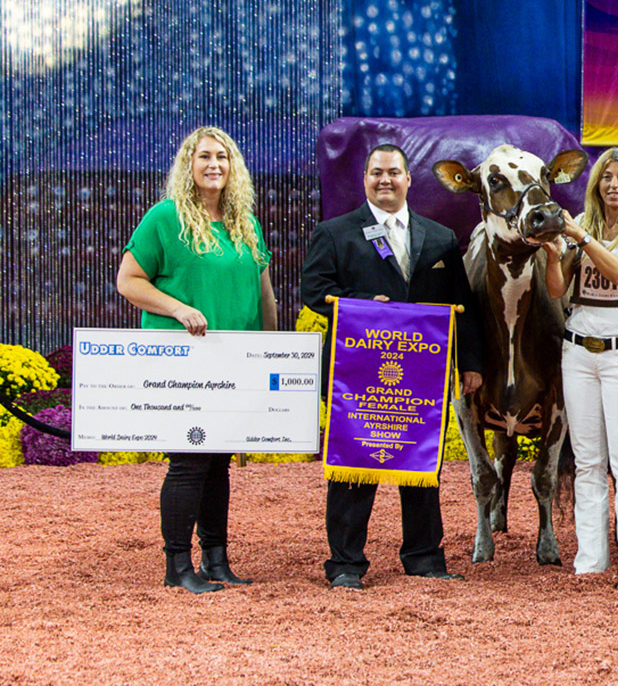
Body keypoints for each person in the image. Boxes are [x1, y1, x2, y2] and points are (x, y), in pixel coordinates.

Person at [301, 143, 484, 590]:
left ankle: (424, 557)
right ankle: (345, 563)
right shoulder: (335, 233)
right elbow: (313, 289)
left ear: (408, 179)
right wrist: (364, 305)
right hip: (358, 372)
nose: (385, 180)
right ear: (364, 179)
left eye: (394, 173)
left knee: (421, 468)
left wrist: (470, 362)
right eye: (376, 173)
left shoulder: (439, 237)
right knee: (354, 468)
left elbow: (463, 305)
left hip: (423, 376)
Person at [116, 126, 277, 594]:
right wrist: (179, 309)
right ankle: (176, 566)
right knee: (189, 460)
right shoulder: (166, 218)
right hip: (183, 362)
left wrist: (269, 348)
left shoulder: (244, 221)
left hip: (234, 359)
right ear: (189, 165)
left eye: (223, 157)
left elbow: (262, 291)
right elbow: (129, 280)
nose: (214, 165)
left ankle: (216, 559)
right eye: (204, 156)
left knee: (219, 460)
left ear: (234, 168)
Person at [542, 147, 618, 591]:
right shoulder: (582, 227)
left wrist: (581, 239)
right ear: (596, 184)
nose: (613, 184)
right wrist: (556, 251)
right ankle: (590, 561)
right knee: (588, 461)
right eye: (606, 177)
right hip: (578, 350)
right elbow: (558, 290)